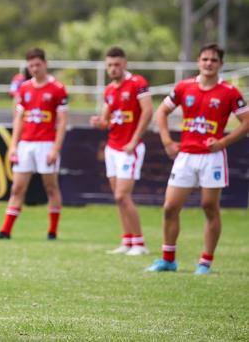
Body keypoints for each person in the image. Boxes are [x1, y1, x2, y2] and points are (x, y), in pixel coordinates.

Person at [146, 43, 249, 274]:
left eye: (213, 60)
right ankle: (168, 259)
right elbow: (161, 111)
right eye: (205, 59)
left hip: (212, 158)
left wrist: (223, 142)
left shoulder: (229, 92)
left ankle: (205, 262)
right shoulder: (184, 87)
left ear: (220, 64)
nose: (208, 64)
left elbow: (246, 121)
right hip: (185, 156)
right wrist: (167, 142)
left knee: (209, 207)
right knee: (170, 207)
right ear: (198, 62)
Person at [0, 48, 68, 240]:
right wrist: (14, 145)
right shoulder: (24, 88)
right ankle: (5, 231)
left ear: (45, 64)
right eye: (31, 65)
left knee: (51, 187)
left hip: (46, 144)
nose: (35, 68)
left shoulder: (57, 89)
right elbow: (19, 119)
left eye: (38, 64)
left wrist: (55, 148)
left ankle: (52, 231)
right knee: (17, 188)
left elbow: (63, 121)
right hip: (26, 144)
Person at [90, 47, 153, 256]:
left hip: (129, 149)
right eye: (109, 65)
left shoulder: (137, 83)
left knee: (122, 195)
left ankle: (140, 243)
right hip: (113, 147)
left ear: (124, 64)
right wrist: (99, 122)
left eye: (117, 64)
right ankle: (127, 240)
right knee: (118, 198)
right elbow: (107, 120)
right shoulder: (109, 89)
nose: (113, 68)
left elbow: (148, 112)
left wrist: (135, 140)